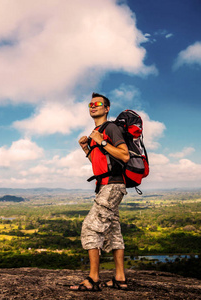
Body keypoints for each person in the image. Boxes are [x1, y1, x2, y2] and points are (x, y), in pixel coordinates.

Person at [70, 93, 130, 292]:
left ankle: (93, 278)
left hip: (112, 186)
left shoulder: (110, 128)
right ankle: (120, 279)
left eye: (98, 104)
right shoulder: (97, 131)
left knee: (90, 228)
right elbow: (101, 165)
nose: (93, 106)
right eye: (90, 104)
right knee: (113, 232)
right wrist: (87, 148)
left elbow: (124, 155)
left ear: (107, 109)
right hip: (107, 185)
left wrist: (102, 141)